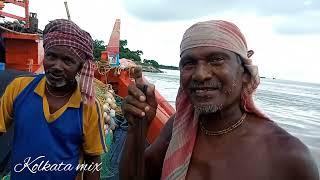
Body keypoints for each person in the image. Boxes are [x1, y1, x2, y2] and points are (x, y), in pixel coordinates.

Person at [120, 20, 319, 180]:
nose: (200, 75)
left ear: (245, 74)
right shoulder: (178, 127)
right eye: (188, 63)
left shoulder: (288, 155)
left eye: (216, 60)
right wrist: (137, 128)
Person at [0, 19, 106, 180]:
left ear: (80, 67)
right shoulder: (19, 88)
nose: (57, 66)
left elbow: (92, 160)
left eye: (67, 61)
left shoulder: (88, 105)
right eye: (51, 56)